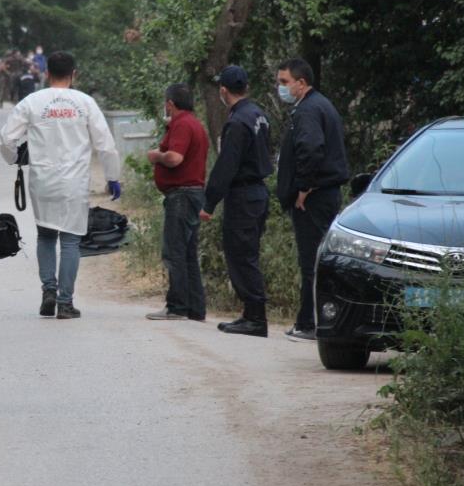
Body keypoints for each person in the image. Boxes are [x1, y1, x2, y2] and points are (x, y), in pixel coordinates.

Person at [0, 51, 122, 319]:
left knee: (45, 236)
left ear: (46, 73)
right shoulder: (85, 102)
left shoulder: (32, 101)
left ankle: (49, 291)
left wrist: (14, 159)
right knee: (69, 241)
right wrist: (113, 177)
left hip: (42, 181)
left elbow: (7, 138)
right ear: (74, 74)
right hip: (74, 182)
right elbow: (106, 144)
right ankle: (65, 302)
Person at [274, 58, 349, 342]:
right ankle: (313, 320)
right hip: (323, 194)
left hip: (314, 198)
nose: (280, 87)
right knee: (318, 258)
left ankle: (310, 323)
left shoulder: (308, 110)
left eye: (284, 82)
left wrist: (304, 188)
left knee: (312, 261)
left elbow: (311, 149)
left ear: (301, 83)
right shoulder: (320, 105)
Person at [199, 65, 274, 337]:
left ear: (223, 91)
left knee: (241, 255)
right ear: (246, 88)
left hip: (243, 195)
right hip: (259, 193)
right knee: (248, 253)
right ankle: (251, 314)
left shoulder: (237, 122)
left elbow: (226, 166)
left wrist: (209, 203)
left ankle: (255, 317)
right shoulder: (258, 115)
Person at [145, 83, 209, 321]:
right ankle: (195, 307)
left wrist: (156, 156)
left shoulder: (182, 124)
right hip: (192, 194)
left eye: (166, 103)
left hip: (182, 196)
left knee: (174, 252)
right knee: (188, 252)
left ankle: (177, 306)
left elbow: (174, 158)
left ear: (170, 103)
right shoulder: (195, 123)